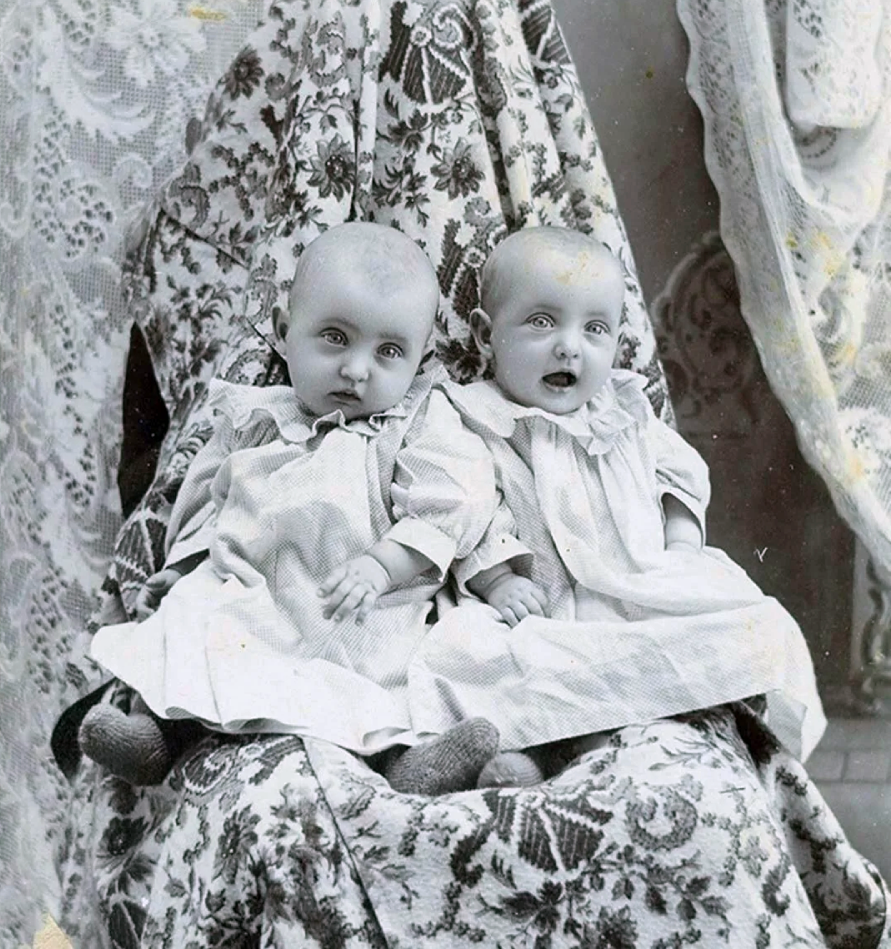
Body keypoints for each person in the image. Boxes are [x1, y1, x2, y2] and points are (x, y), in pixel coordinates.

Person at [79, 222, 515, 794]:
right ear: (285, 332)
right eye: (335, 338)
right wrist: (182, 566)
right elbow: (207, 496)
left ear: (419, 360)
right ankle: (157, 735)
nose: (357, 370)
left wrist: (385, 564)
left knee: (388, 679)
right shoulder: (253, 416)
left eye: (388, 352)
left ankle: (405, 764)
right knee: (188, 624)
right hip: (249, 591)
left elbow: (456, 498)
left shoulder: (416, 423)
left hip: (355, 607)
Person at [407, 226, 826, 785]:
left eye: (594, 328)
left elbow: (678, 471)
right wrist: (496, 580)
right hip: (537, 610)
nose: (569, 346)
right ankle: (528, 760)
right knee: (473, 656)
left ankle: (617, 730)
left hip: (632, 595)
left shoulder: (623, 409)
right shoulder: (472, 417)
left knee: (758, 625)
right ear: (486, 335)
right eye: (541, 322)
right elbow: (461, 503)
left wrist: (681, 545)